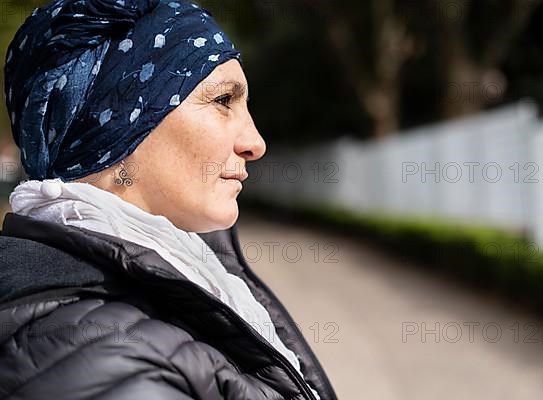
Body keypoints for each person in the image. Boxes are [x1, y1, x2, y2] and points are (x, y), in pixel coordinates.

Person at [0, 1, 337, 399]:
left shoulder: (174, 281)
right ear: (121, 127)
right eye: (223, 100)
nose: (255, 143)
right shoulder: (101, 352)